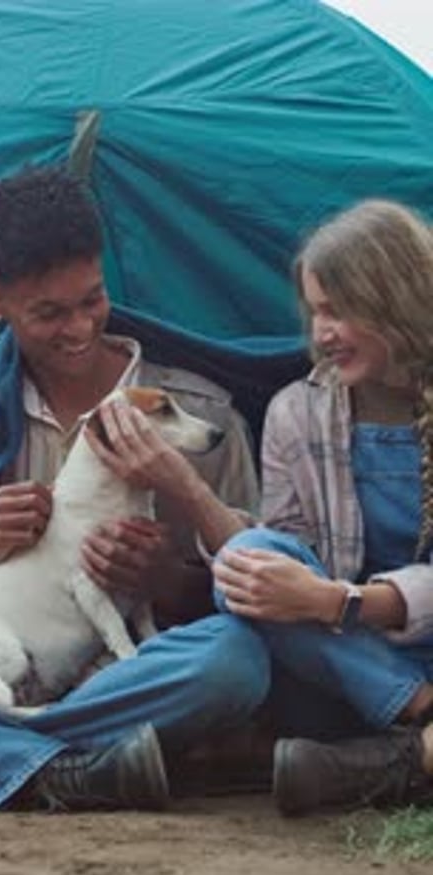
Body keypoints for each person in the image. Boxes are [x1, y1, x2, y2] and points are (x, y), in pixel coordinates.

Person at [0, 164, 267, 812]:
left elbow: (265, 584)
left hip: (134, 670)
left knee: (237, 660)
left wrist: (166, 576)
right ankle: (66, 767)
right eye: (48, 313)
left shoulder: (204, 415)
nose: (80, 328)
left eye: (92, 299)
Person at [212, 199, 433, 815]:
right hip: (352, 668)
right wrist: (311, 597)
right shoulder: (294, 412)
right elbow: (289, 561)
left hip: (355, 621)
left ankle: (375, 767)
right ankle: (419, 714)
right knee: (245, 559)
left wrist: (342, 601)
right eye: (314, 312)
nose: (320, 334)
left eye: (338, 311)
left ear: (395, 302)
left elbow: (323, 599)